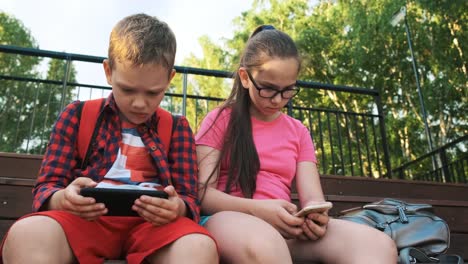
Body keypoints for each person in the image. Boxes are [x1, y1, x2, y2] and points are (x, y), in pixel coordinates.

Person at [1, 13, 218, 264]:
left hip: (153, 228)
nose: (139, 103)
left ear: (170, 79)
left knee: (198, 246)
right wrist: (64, 198)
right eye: (127, 89)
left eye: (153, 92)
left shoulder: (177, 127)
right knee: (28, 235)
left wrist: (176, 207)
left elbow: (188, 198)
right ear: (108, 71)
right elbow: (47, 187)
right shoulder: (78, 115)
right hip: (84, 221)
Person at [195, 25, 397, 263]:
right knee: (265, 245)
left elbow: (312, 197)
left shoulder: (298, 131)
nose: (279, 100)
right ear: (245, 78)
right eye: (268, 89)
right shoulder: (220, 119)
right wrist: (260, 210)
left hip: (285, 229)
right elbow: (202, 194)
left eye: (288, 90)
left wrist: (316, 216)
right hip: (227, 220)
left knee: (377, 245)